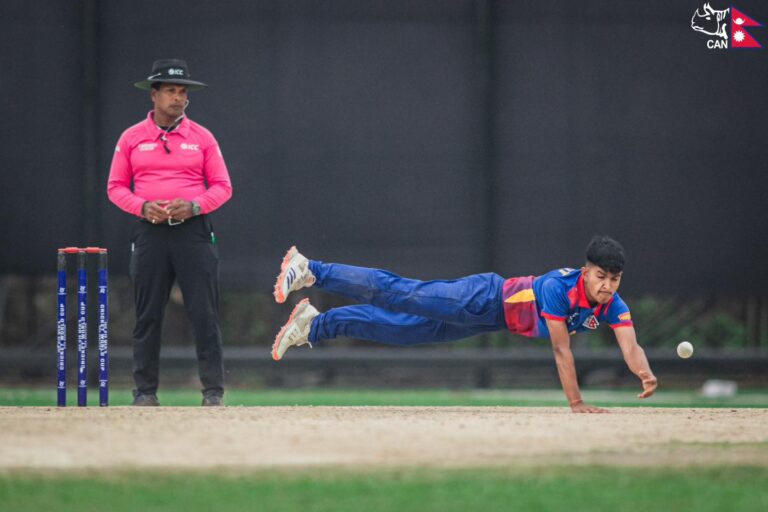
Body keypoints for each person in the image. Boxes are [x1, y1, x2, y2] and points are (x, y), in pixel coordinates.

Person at [271, 235, 657, 413]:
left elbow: (630, 343)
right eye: (601, 277)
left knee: (403, 331)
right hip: (482, 297)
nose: (607, 286)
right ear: (586, 272)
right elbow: (560, 349)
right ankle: (311, 269)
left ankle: (314, 326)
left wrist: (644, 372)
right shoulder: (561, 288)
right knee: (399, 293)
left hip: (486, 320)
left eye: (615, 279)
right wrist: (576, 402)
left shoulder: (613, 304)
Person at [107, 59, 233, 406]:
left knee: (204, 313)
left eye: (182, 92)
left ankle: (213, 392)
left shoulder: (202, 137)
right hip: (150, 234)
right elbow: (115, 187)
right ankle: (145, 392)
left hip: (193, 233)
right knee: (148, 315)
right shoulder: (132, 138)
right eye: (170, 91)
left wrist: (194, 206)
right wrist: (142, 207)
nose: (178, 98)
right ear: (154, 95)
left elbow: (223, 186)